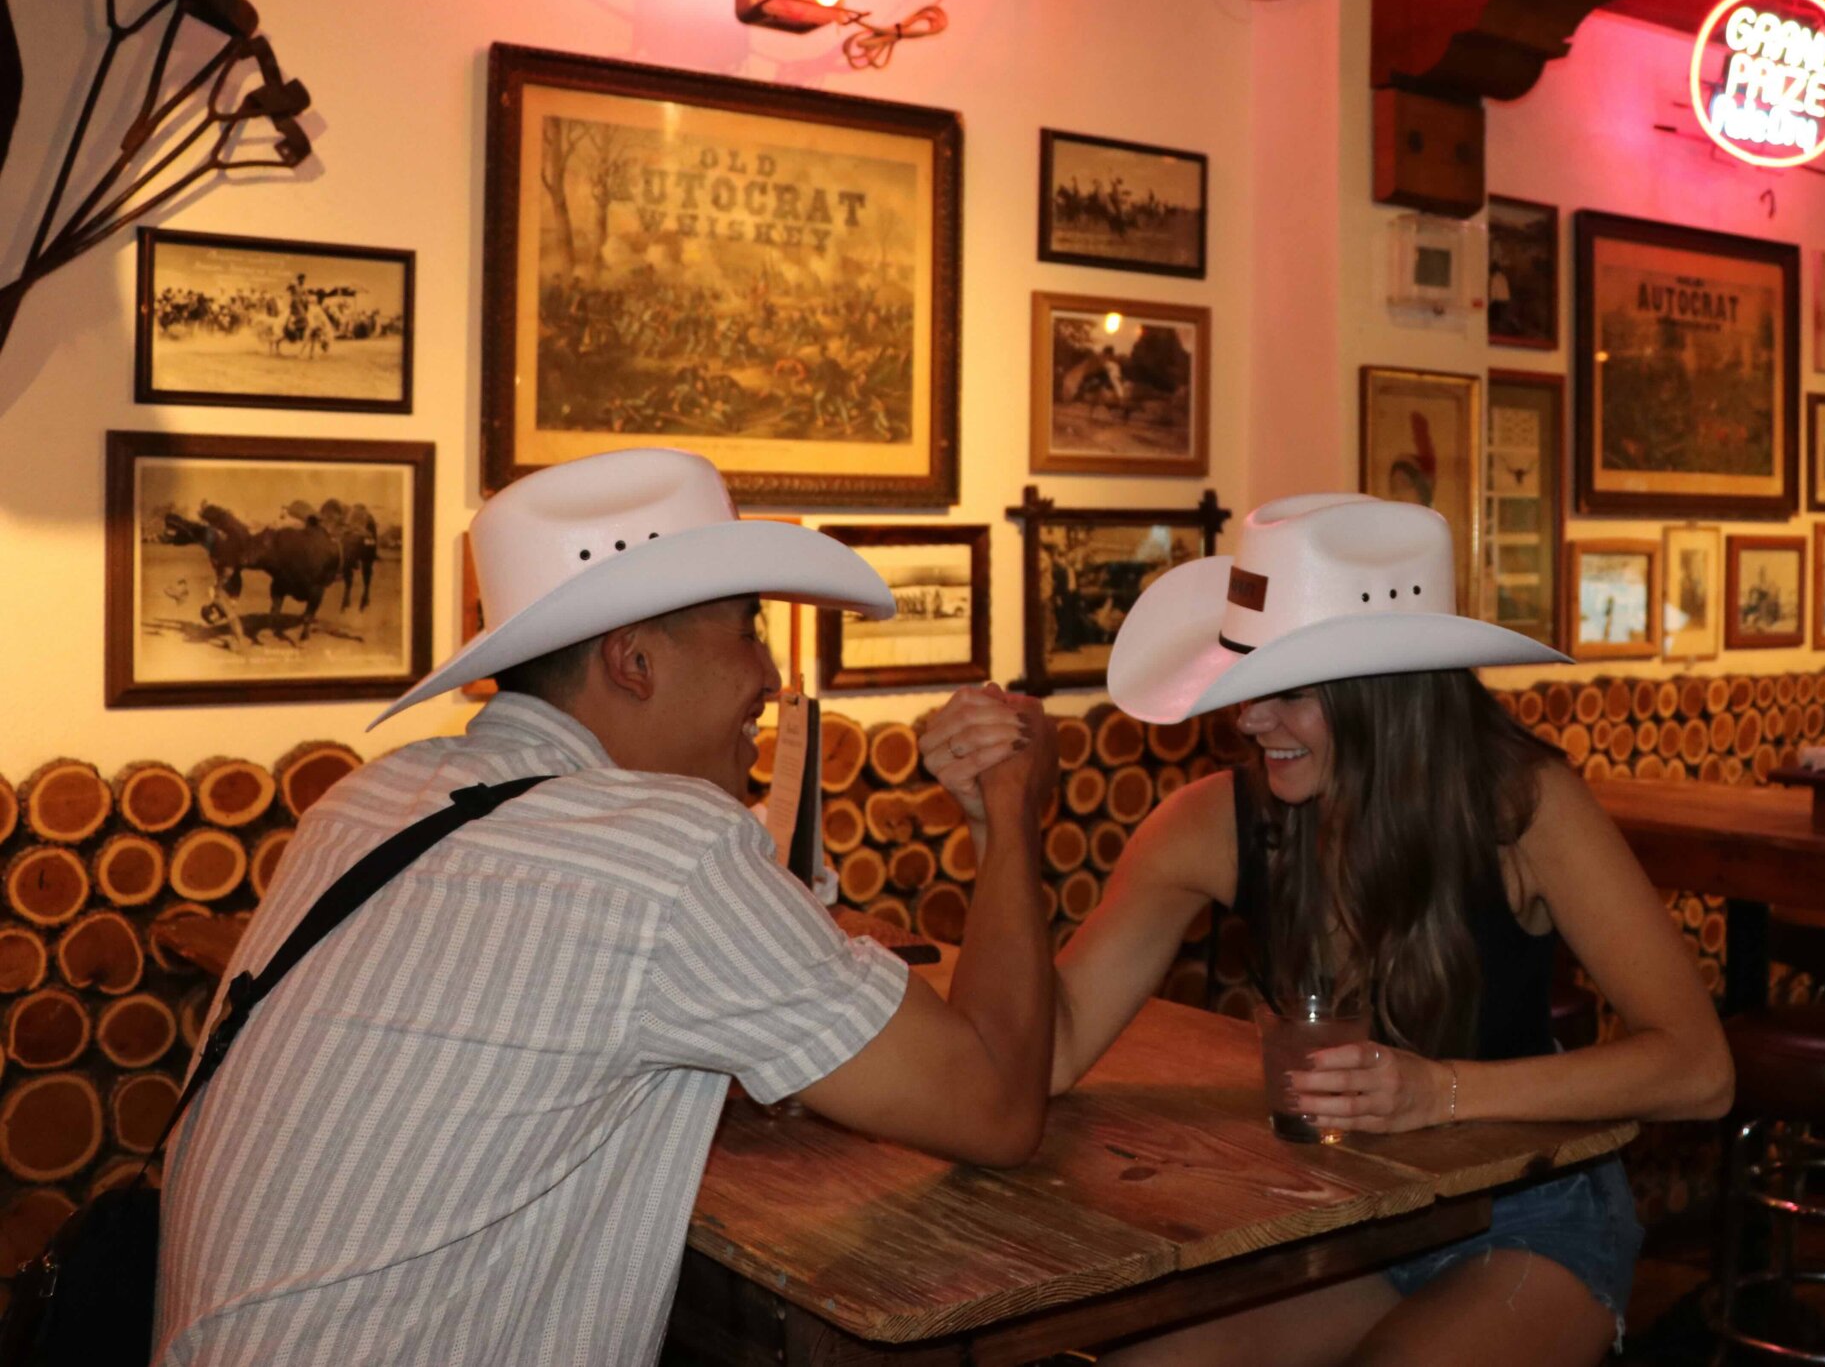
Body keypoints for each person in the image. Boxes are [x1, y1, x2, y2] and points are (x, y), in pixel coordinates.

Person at [157, 447, 1058, 1365]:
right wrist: (1012, 806)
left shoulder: (367, 799)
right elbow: (995, 1106)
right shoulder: (668, 849)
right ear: (632, 660)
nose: (769, 674)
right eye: (747, 629)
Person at [922, 493, 1733, 1366]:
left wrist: (1440, 1092)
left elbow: (1699, 1068)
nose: (1249, 719)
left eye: (1288, 693)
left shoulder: (1521, 805)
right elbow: (1041, 1057)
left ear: (1386, 695)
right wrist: (997, 825)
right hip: (1351, 1223)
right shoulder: (1211, 824)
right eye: (1243, 682)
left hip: (1531, 1212)